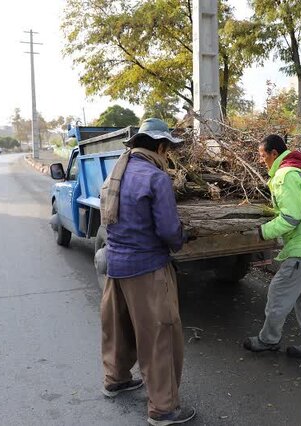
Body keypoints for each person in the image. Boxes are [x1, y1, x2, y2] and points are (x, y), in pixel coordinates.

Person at [99, 118, 196, 425]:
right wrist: (184, 237)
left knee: (119, 327)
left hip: (115, 266)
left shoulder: (117, 171)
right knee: (159, 337)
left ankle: (115, 379)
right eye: (169, 150)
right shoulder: (156, 177)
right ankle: (164, 408)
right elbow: (168, 230)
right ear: (161, 146)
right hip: (148, 268)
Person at [243, 134, 301, 358]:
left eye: (263, 156)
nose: (261, 161)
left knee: (278, 292)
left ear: (274, 154)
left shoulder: (285, 175)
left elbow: (290, 218)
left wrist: (262, 232)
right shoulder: (297, 170)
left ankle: (268, 340)